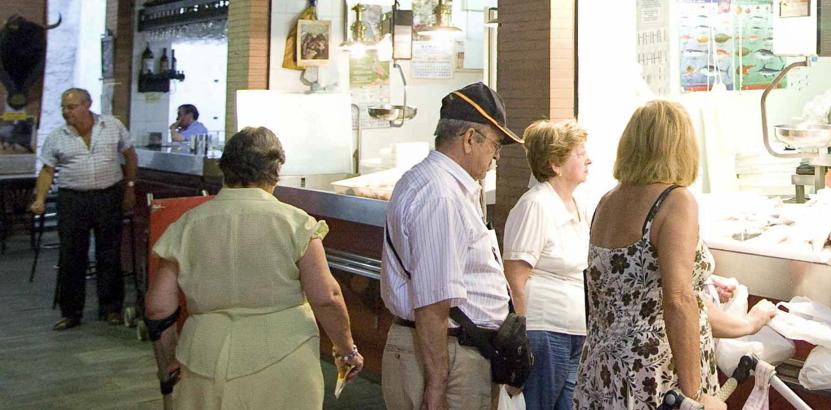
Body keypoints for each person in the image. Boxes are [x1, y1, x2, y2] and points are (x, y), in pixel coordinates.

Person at [144, 126, 363, 408]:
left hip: (203, 356)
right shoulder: (296, 223)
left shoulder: (187, 224)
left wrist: (171, 356)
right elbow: (326, 297)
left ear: (225, 168)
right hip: (284, 355)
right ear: (276, 170)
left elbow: (157, 307)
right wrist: (346, 350)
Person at [381, 82, 524, 410]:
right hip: (445, 356)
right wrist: (436, 386)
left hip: (454, 350)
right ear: (470, 138)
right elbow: (433, 301)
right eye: (495, 144)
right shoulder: (441, 195)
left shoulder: (447, 186)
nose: (497, 156)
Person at [574, 100, 723, 410]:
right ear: (680, 146)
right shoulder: (675, 201)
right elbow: (678, 299)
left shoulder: (607, 202)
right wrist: (694, 395)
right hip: (655, 374)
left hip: (603, 368)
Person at [30, 88, 138, 331]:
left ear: (87, 105)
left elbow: (130, 156)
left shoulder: (112, 126)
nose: (66, 112)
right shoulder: (58, 136)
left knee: (109, 254)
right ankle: (71, 312)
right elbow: (47, 170)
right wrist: (40, 198)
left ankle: (111, 309)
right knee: (71, 256)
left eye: (71, 107)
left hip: (108, 195)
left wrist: (130, 188)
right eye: (64, 107)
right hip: (73, 199)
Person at [503, 120, 592, 410]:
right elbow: (515, 278)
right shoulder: (536, 205)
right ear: (555, 164)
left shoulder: (577, 205)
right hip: (544, 331)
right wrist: (521, 340)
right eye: (579, 153)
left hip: (575, 331)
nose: (588, 159)